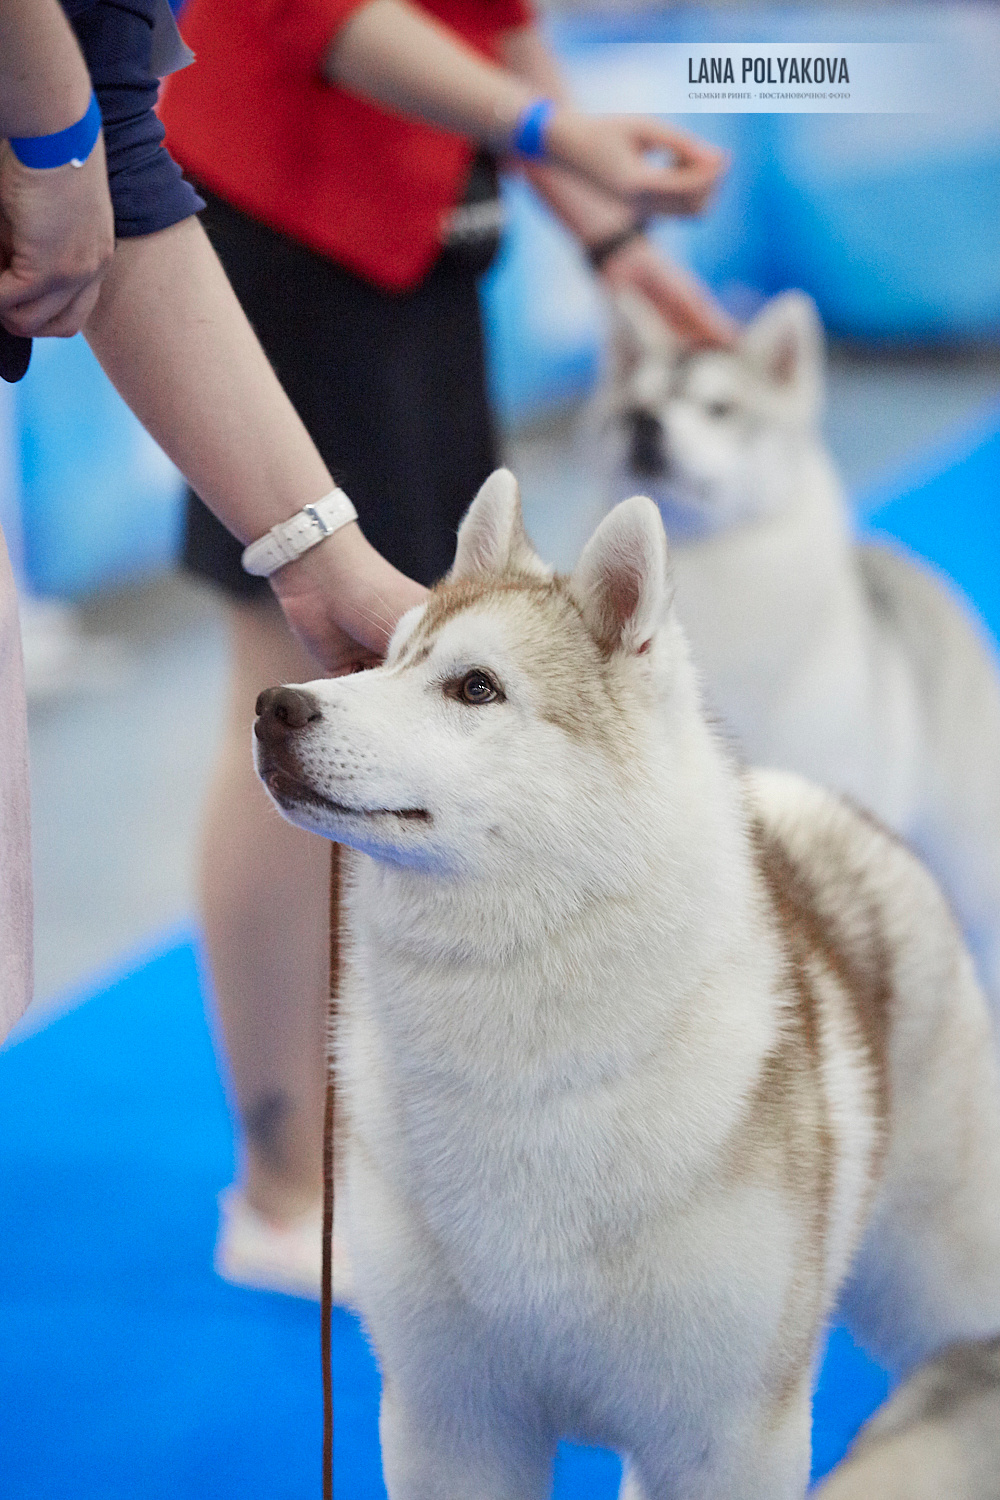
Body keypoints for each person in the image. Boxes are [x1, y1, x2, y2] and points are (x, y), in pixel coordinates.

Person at [159, 0, 737, 1296]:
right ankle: (284, 1190)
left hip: (427, 234)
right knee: (300, 686)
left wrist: (611, 232)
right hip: (294, 232)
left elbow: (491, 16)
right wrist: (554, 130)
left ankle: (367, 1151)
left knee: (394, 681)